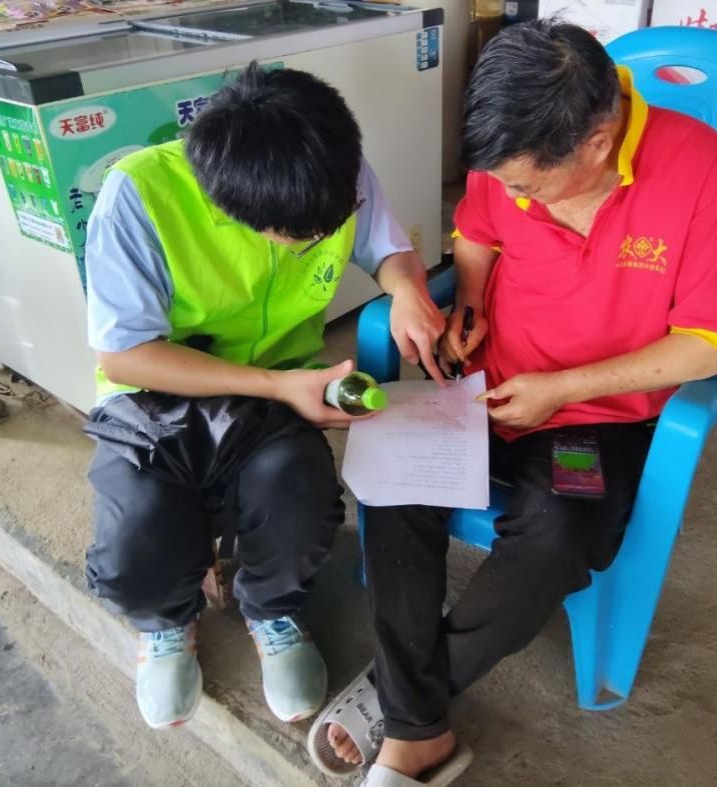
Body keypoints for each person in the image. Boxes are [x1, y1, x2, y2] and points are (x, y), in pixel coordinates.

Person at [311, 19, 717, 786]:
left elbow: (710, 344)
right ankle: (416, 724)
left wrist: (562, 390)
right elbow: (477, 234)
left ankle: (403, 708)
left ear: (597, 142)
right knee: (390, 477)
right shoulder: (516, 143)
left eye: (528, 186)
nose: (513, 196)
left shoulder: (700, 170)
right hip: (485, 387)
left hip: (594, 420)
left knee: (555, 537)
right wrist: (472, 302)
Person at [82, 64, 445, 730]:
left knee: (300, 498)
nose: (324, 238)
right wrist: (278, 386)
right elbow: (123, 353)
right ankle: (167, 624)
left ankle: (271, 610)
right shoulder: (139, 195)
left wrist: (407, 290)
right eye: (303, 236)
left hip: (276, 390)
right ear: (238, 211)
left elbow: (389, 248)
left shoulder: (330, 171)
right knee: (135, 543)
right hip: (157, 398)